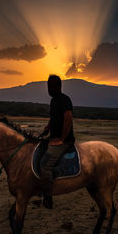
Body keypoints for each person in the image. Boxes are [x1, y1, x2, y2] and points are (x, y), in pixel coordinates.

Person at [40, 74, 75, 209]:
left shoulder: (64, 100)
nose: (49, 89)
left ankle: (48, 197)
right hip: (52, 138)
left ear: (58, 87)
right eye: (48, 86)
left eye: (51, 87)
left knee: (45, 165)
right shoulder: (53, 101)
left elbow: (68, 119)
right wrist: (47, 128)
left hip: (64, 141)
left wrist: (62, 139)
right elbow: (54, 117)